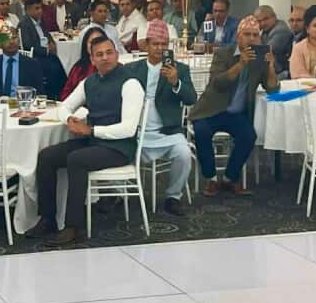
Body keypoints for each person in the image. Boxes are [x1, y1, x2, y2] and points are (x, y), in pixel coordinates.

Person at [29, 35, 145, 246]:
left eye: (109, 53)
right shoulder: (89, 82)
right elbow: (64, 106)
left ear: (117, 54)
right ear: (92, 59)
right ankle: (48, 218)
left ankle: (74, 227)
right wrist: (69, 119)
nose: (105, 58)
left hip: (119, 147)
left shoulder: (130, 83)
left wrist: (91, 130)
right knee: (47, 156)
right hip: (94, 142)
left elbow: (128, 129)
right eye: (99, 54)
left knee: (77, 160)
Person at [190, 16, 279, 196]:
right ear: (238, 37)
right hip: (211, 110)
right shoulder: (223, 53)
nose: (251, 38)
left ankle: (230, 178)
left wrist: (270, 67)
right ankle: (211, 178)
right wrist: (241, 64)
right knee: (202, 132)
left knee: (249, 136)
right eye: (247, 34)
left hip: (237, 114)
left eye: (255, 35)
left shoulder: (260, 58)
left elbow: (272, 90)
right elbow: (218, 82)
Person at [124, 21, 197, 216]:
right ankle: (116, 194)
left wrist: (175, 82)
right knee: (112, 148)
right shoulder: (131, 69)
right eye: (155, 44)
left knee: (184, 153)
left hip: (167, 130)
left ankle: (173, 197)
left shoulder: (180, 69)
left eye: (164, 44)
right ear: (146, 45)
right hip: (135, 131)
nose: (160, 48)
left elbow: (191, 99)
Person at [20, 0, 67, 99]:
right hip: (35, 56)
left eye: (41, 8)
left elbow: (48, 35)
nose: (40, 11)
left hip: (46, 55)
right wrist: (46, 50)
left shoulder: (41, 22)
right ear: (28, 10)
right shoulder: (24, 24)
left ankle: (62, 92)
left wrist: (52, 43)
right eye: (36, 8)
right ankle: (54, 94)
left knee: (58, 63)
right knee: (53, 68)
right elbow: (27, 44)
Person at [0, 30, 43, 99]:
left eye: (14, 38)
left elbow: (39, 94)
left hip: (24, 103)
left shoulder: (32, 64)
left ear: (19, 41)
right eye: (7, 38)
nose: (11, 42)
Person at [61, 28, 109, 101]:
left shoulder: (111, 67)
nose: (95, 45)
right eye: (91, 42)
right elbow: (65, 94)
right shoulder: (78, 67)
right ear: (85, 45)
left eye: (99, 41)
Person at [254, 5, 294, 77]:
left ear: (274, 16)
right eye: (259, 21)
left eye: (266, 19)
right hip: (271, 70)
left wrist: (255, 34)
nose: (263, 23)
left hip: (281, 72)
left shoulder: (281, 30)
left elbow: (264, 51)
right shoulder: (267, 30)